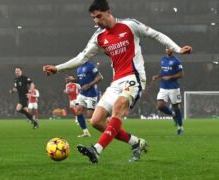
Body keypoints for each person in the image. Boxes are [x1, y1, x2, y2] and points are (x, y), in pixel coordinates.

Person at [43, 0, 192, 163]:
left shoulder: (130, 25)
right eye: (93, 18)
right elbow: (82, 57)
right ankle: (136, 143)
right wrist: (58, 68)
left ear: (108, 12)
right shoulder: (99, 37)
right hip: (117, 81)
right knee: (96, 121)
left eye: (99, 16)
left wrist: (177, 49)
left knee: (118, 106)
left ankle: (96, 150)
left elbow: (155, 34)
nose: (97, 21)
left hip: (134, 77)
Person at [152, 49, 184, 135]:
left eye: (170, 48)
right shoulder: (163, 60)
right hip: (163, 87)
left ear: (172, 50)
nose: (168, 50)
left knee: (176, 107)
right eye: (167, 48)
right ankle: (173, 115)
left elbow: (181, 74)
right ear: (165, 50)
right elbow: (163, 71)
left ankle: (180, 127)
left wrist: (170, 77)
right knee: (159, 106)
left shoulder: (176, 60)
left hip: (174, 88)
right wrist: (158, 76)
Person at [73, 61, 103, 138]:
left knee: (90, 117)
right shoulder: (78, 68)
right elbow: (80, 81)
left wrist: (89, 85)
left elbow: (100, 77)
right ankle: (86, 132)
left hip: (91, 95)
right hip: (82, 93)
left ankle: (106, 121)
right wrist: (73, 80)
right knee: (78, 111)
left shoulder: (90, 65)